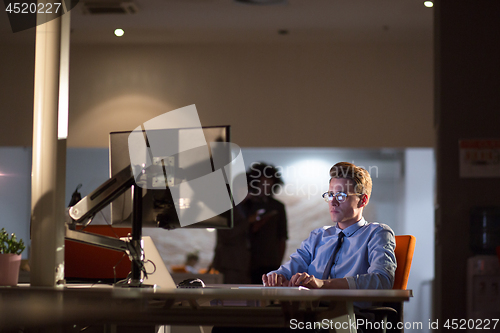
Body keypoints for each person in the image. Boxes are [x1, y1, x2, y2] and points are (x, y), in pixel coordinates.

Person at [263, 161, 396, 291]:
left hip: (352, 311)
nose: (332, 202)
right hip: (312, 311)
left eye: (341, 196)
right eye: (331, 195)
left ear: (363, 200)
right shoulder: (318, 236)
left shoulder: (377, 233)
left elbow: (382, 280)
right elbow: (287, 270)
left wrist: (323, 284)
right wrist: (275, 277)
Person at [246, 162, 288, 284]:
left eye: (269, 184)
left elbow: (282, 237)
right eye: (262, 183)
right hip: (249, 261)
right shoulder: (247, 205)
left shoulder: (277, 206)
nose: (265, 187)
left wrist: (278, 264)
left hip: (270, 261)